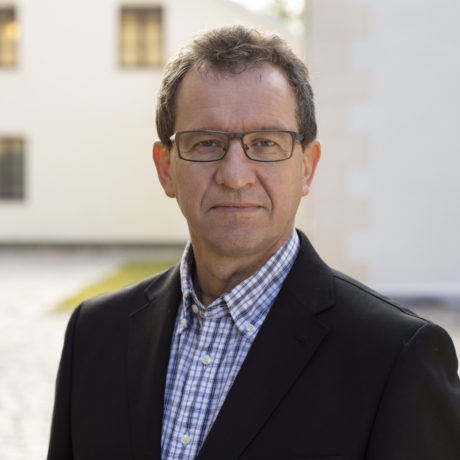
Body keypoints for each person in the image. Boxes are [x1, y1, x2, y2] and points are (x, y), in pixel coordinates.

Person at [48, 25, 460, 460]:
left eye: (265, 143)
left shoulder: (397, 357)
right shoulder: (95, 333)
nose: (235, 175)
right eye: (206, 143)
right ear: (166, 168)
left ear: (307, 167)